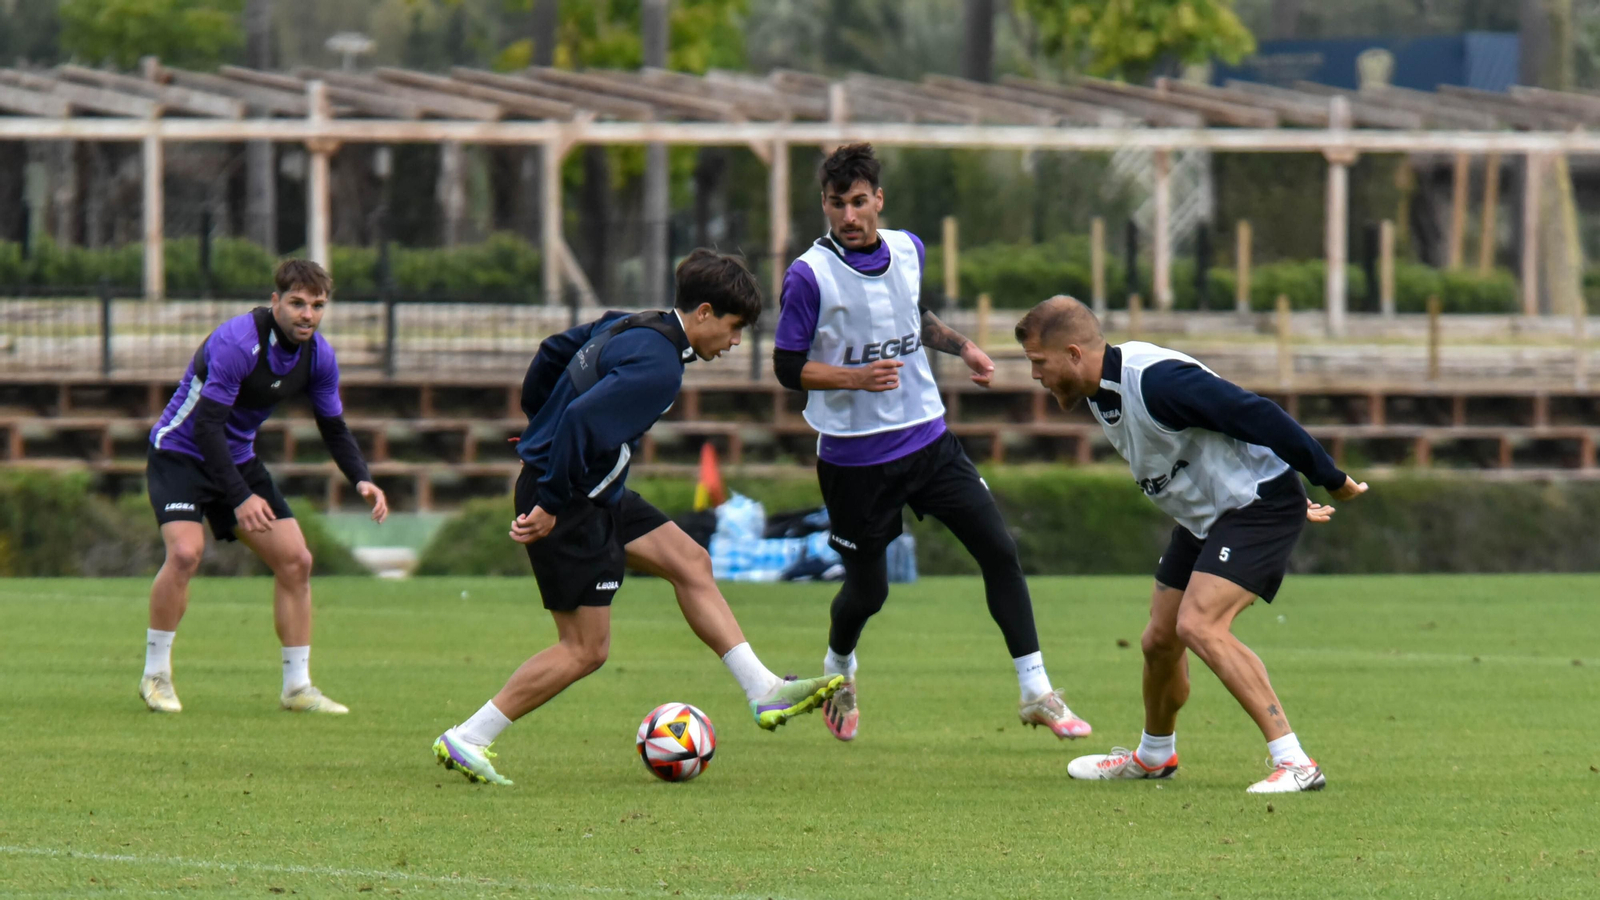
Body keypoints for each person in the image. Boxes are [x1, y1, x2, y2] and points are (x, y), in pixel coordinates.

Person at [432, 250, 843, 786]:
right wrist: (551, 499)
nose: (737, 341)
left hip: (589, 486)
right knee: (585, 649)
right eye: (734, 326)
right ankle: (468, 737)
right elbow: (579, 418)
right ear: (702, 313)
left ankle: (762, 689)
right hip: (570, 497)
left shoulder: (632, 322)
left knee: (690, 560)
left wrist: (540, 427)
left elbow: (552, 351)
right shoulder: (661, 368)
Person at [770, 143, 1091, 743]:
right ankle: (838, 670)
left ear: (878, 200)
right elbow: (788, 367)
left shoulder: (909, 249)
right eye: (838, 204)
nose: (849, 215)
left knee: (999, 550)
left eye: (860, 202)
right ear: (825, 205)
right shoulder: (808, 276)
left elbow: (912, 317)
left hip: (928, 440)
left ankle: (1036, 691)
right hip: (855, 458)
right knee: (868, 591)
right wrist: (854, 378)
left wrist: (963, 346)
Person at [1013, 295, 1369, 793]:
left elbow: (1258, 414)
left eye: (1038, 362)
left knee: (1199, 624)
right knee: (1160, 641)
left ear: (1073, 354)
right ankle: (1154, 756)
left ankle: (1296, 761)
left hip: (1254, 506)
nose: (1035, 375)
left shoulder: (1156, 381)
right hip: (1212, 515)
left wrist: (1327, 477)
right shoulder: (1096, 389)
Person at [140, 259, 388, 715]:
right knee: (184, 553)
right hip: (181, 451)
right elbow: (206, 428)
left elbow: (333, 427)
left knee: (296, 561)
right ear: (275, 301)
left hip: (236, 459)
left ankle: (297, 687)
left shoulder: (319, 356)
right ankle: (156, 676)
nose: (307, 315)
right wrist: (240, 497)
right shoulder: (238, 342)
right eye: (296, 303)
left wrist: (363, 479)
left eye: (317, 305)